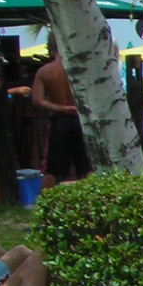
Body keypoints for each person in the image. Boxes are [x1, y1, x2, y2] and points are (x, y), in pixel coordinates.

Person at [31, 36, 92, 183]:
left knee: (52, 170)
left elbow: (37, 100)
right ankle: (95, 202)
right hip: (81, 120)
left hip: (59, 121)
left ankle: (45, 204)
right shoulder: (81, 69)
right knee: (87, 167)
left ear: (51, 51)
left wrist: (62, 108)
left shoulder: (45, 71)